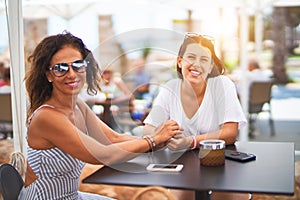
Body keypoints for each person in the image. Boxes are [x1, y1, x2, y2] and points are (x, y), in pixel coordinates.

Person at [19, 32, 180, 199]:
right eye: (61, 68)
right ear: (48, 75)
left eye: (78, 65)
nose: (72, 74)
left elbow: (113, 139)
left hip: (72, 196)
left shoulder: (78, 105)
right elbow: (102, 154)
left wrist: (156, 140)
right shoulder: (47, 116)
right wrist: (152, 141)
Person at [142, 33, 247, 199]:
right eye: (191, 57)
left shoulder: (222, 85)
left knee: (228, 195)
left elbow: (229, 133)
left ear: (211, 65)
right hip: (181, 166)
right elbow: (147, 131)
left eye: (204, 59)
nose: (197, 64)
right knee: (179, 195)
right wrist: (164, 136)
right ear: (180, 61)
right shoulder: (169, 89)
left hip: (219, 164)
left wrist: (189, 142)